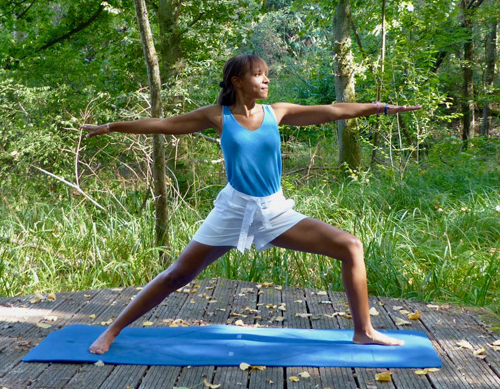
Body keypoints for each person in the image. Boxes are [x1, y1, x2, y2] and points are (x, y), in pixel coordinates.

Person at [81, 54, 422, 354]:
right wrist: (113, 126)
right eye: (259, 74)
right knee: (177, 275)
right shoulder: (218, 115)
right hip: (232, 210)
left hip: (273, 210)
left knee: (350, 246)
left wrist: (381, 108)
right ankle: (113, 329)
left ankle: (364, 332)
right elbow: (164, 125)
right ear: (237, 81)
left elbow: (333, 111)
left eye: (266, 73)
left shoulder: (278, 112)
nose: (266, 79)